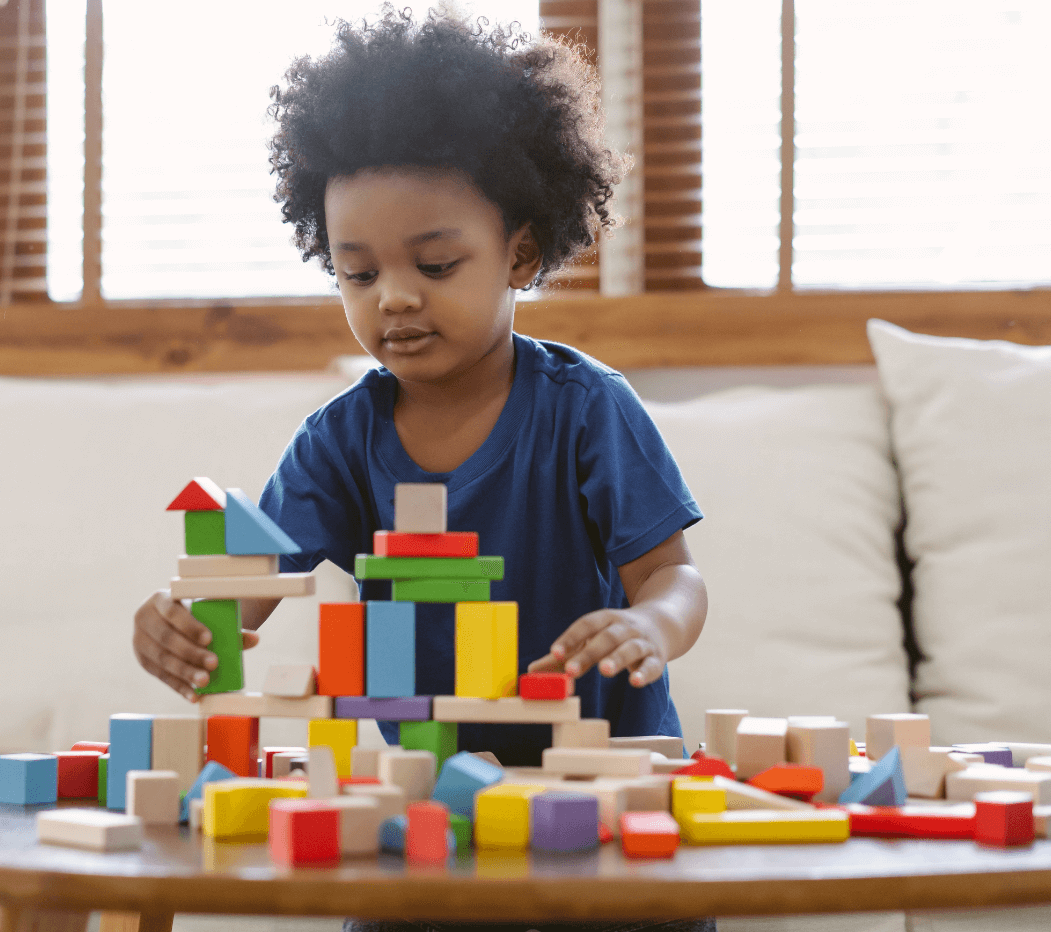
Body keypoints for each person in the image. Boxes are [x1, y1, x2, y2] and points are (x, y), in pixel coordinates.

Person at [134, 7, 712, 930]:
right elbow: (244, 590)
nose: (395, 297)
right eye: (359, 274)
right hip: (425, 806)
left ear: (520, 252)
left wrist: (649, 626)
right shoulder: (340, 441)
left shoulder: (586, 409)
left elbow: (674, 577)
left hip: (602, 789)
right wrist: (184, 629)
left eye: (436, 264)